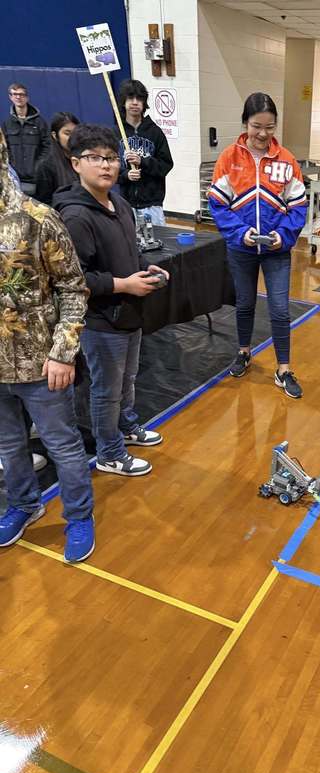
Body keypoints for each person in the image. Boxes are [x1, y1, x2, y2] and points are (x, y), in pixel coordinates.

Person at [0, 129, 95, 562]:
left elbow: (73, 289)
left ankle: (79, 517)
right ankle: (23, 505)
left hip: (41, 364)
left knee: (63, 446)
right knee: (8, 445)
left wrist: (62, 352)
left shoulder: (38, 219)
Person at [54, 124, 169, 477]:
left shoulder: (119, 203)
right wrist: (123, 284)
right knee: (107, 390)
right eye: (95, 158)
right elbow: (75, 280)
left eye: (111, 157)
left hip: (128, 315)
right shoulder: (75, 216)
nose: (105, 165)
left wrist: (145, 267)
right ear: (76, 164)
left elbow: (129, 252)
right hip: (101, 321)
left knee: (128, 380)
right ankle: (110, 452)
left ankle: (125, 427)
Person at [208, 92, 307, 399]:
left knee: (280, 309)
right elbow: (218, 205)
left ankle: (284, 369)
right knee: (245, 303)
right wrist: (240, 233)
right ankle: (244, 351)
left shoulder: (287, 161)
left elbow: (299, 207)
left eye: (270, 127)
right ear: (245, 124)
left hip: (277, 251)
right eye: (256, 126)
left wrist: (284, 236)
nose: (263, 134)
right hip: (241, 249)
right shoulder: (229, 159)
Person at [117, 79, 173, 226]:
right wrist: (126, 175)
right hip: (125, 204)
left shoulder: (155, 132)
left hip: (152, 205)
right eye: (130, 98)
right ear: (123, 102)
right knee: (129, 241)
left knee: (155, 240)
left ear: (144, 103)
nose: (135, 102)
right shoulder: (116, 133)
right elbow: (110, 168)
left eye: (139, 98)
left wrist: (143, 161)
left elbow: (166, 165)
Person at [1, 83, 51, 197]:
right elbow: (4, 149)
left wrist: (39, 166)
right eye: (15, 94)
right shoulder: (7, 125)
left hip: (38, 179)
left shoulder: (39, 123)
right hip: (15, 179)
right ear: (10, 97)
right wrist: (12, 166)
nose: (18, 97)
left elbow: (48, 146)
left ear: (27, 97)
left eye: (21, 94)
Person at [35, 112, 80, 205]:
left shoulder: (83, 159)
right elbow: (44, 204)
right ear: (55, 135)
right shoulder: (46, 165)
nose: (73, 138)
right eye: (67, 133)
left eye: (75, 133)